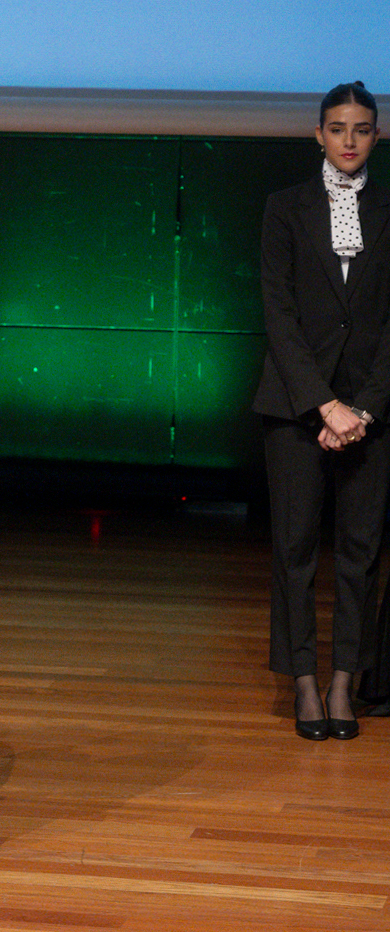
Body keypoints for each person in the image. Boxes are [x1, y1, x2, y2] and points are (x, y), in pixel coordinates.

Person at [254, 81, 388, 741]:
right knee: (296, 547)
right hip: (296, 407)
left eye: (362, 129)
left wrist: (361, 408)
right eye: (338, 128)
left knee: (360, 552)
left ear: (376, 135)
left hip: (372, 412)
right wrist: (324, 405)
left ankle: (344, 683)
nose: (349, 141)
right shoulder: (284, 208)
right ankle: (304, 680)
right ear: (318, 134)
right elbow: (277, 314)